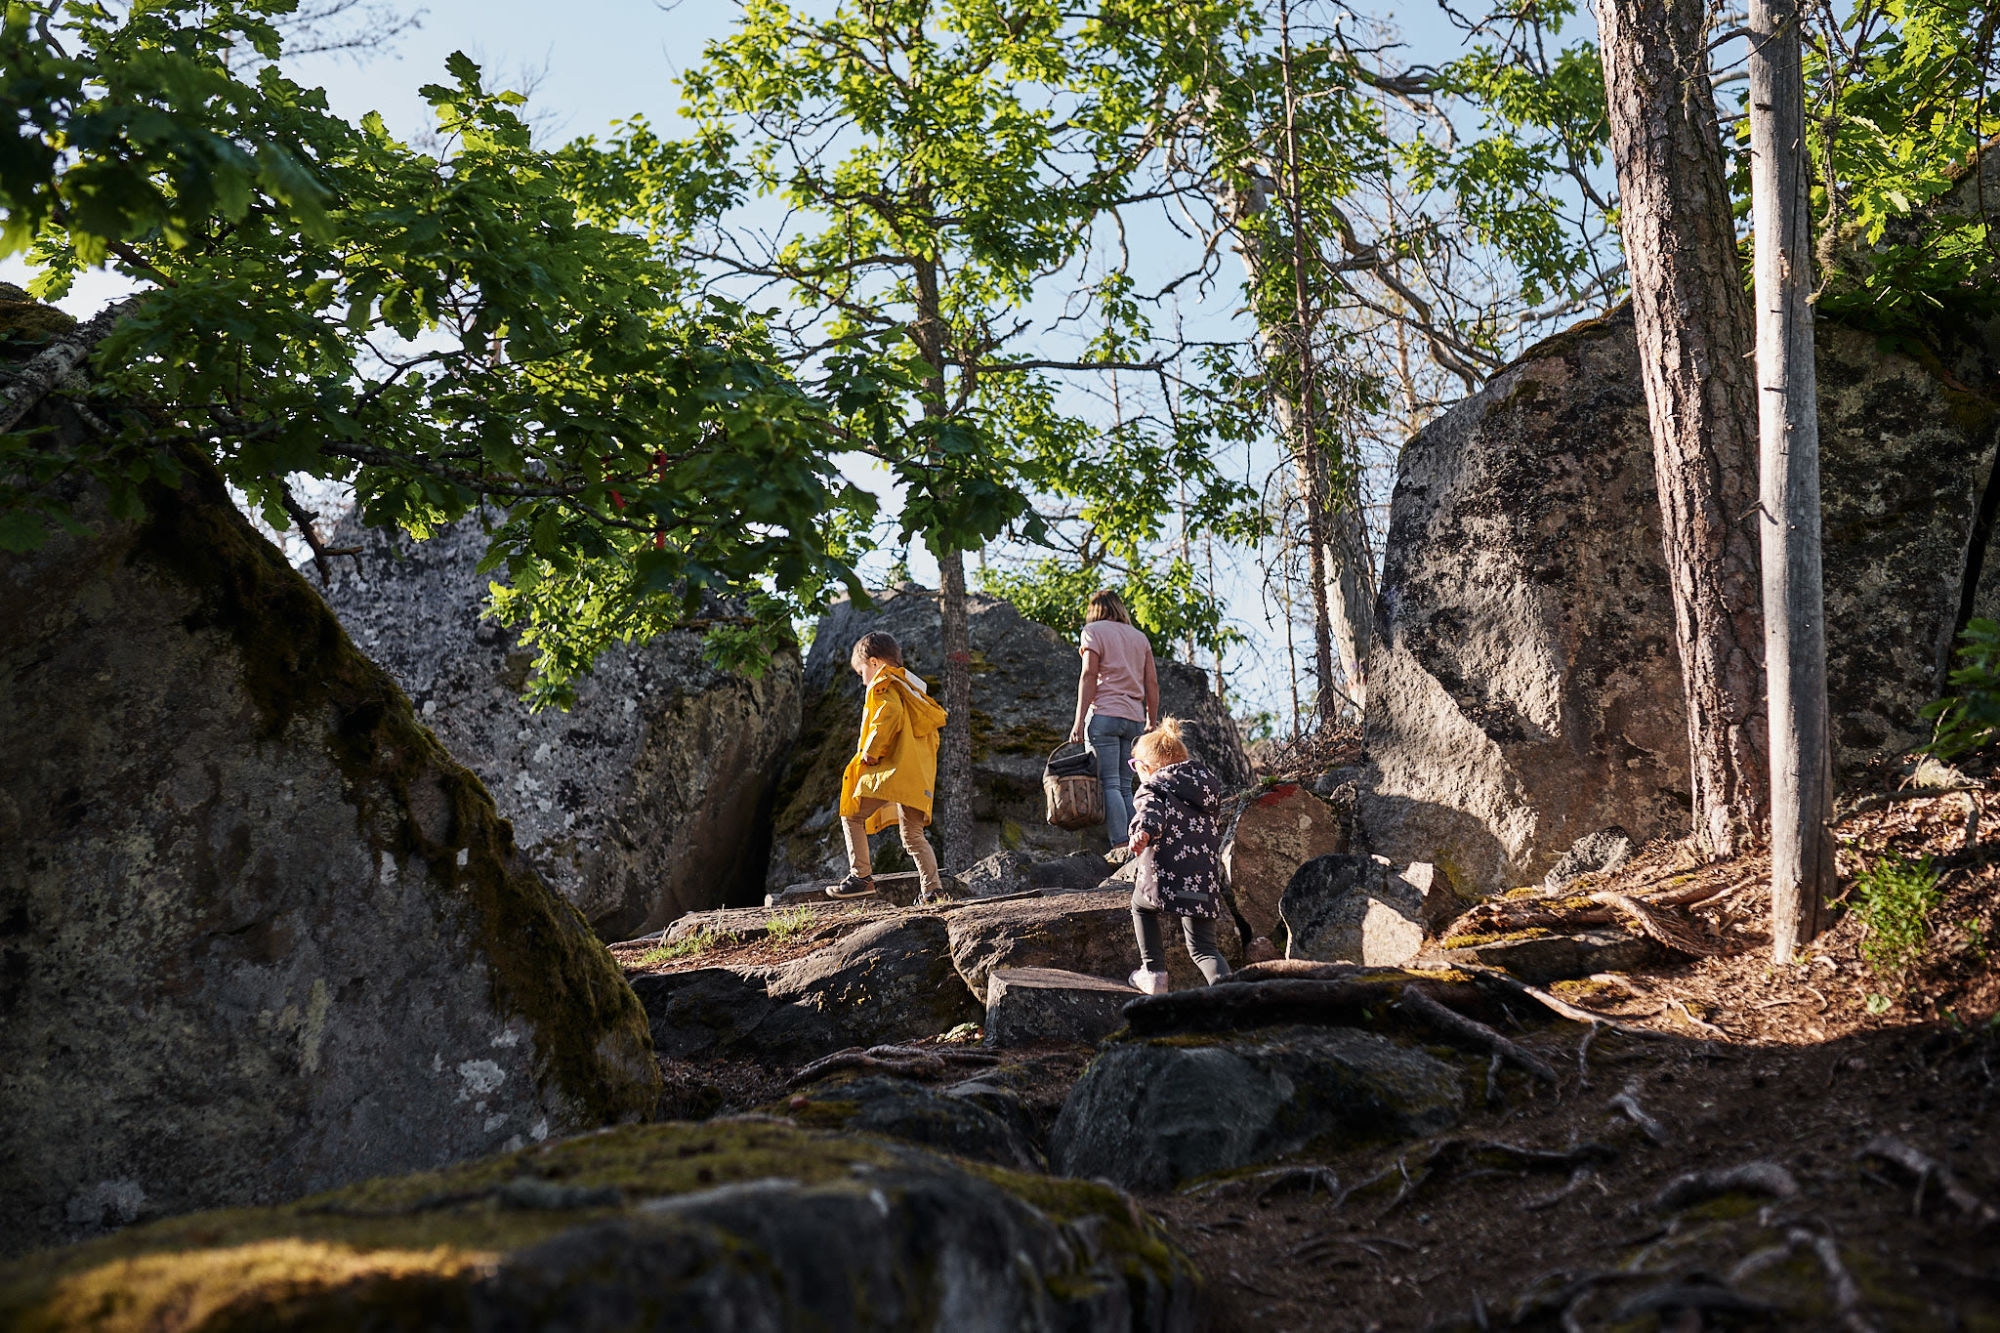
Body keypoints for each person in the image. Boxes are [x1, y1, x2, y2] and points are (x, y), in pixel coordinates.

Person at [830, 630, 948, 903]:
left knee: (853, 814)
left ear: (873, 663)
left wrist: (871, 750)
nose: (863, 682)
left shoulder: (884, 683)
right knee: (913, 836)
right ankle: (933, 891)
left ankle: (861, 877)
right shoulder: (915, 693)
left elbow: (888, 714)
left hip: (892, 772)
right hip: (916, 777)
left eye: (861, 673)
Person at [1124, 717, 1231, 994]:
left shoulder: (1152, 787)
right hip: (1202, 881)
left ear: (1147, 767)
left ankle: (1154, 973)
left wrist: (1142, 833)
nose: (1137, 773)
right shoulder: (1205, 790)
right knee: (1204, 949)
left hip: (1165, 879)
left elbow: (1150, 813)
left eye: (1136, 767)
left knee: (1140, 906)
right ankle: (1231, 993)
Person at [1067, 589, 1158, 858]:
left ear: (1095, 609)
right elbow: (1151, 682)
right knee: (1124, 786)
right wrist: (1151, 720)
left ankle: (1121, 843)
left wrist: (1079, 720)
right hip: (1134, 720)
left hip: (1104, 716)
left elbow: (1088, 674)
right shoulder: (1139, 638)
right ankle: (1139, 840)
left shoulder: (1092, 631)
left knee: (1108, 783)